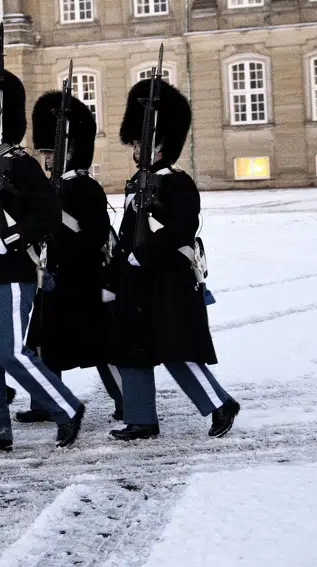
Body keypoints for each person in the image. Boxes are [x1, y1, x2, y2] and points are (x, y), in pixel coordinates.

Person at [0, 61, 85, 452]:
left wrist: (10, 238)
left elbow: (45, 217)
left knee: (12, 353)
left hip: (11, 271)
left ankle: (67, 407)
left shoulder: (22, 164)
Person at [107, 78, 240, 441]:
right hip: (137, 282)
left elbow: (182, 229)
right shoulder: (138, 182)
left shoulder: (178, 183)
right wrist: (117, 273)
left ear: (162, 147)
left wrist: (143, 255)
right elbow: (127, 234)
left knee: (175, 351)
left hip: (167, 281)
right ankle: (141, 419)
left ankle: (219, 403)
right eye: (134, 143)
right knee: (131, 350)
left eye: (141, 143)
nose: (136, 149)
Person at [19, 91, 125, 425]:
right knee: (41, 341)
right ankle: (47, 403)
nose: (47, 157)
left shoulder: (82, 187)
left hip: (80, 277)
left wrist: (67, 260)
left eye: (51, 151)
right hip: (51, 275)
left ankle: (127, 400)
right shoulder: (51, 187)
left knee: (100, 347)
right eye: (46, 152)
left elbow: (95, 233)